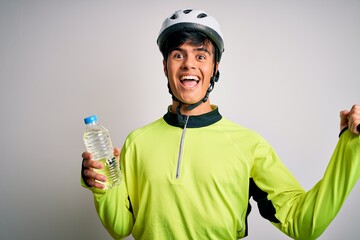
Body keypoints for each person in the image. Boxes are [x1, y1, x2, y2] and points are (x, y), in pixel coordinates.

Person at [81, 8, 360, 239]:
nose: (189, 64)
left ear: (214, 69)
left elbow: (304, 224)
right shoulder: (137, 142)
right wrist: (102, 186)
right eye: (178, 55)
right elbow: (120, 228)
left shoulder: (248, 144)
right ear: (165, 66)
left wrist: (352, 147)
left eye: (201, 56)